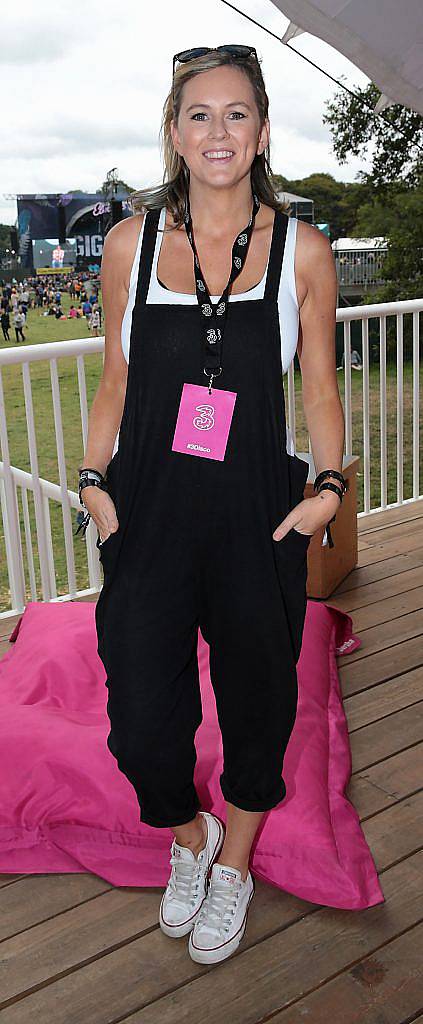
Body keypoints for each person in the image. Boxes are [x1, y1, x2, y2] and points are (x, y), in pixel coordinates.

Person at [77, 45, 345, 966]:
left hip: (250, 519)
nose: (218, 131)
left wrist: (326, 494)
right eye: (200, 114)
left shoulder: (303, 251)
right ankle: (187, 837)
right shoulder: (130, 244)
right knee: (142, 721)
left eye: (237, 114)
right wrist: (92, 485)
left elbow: (318, 391)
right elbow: (112, 383)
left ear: (262, 132)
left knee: (259, 707)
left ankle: (233, 861)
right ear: (175, 133)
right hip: (145, 515)